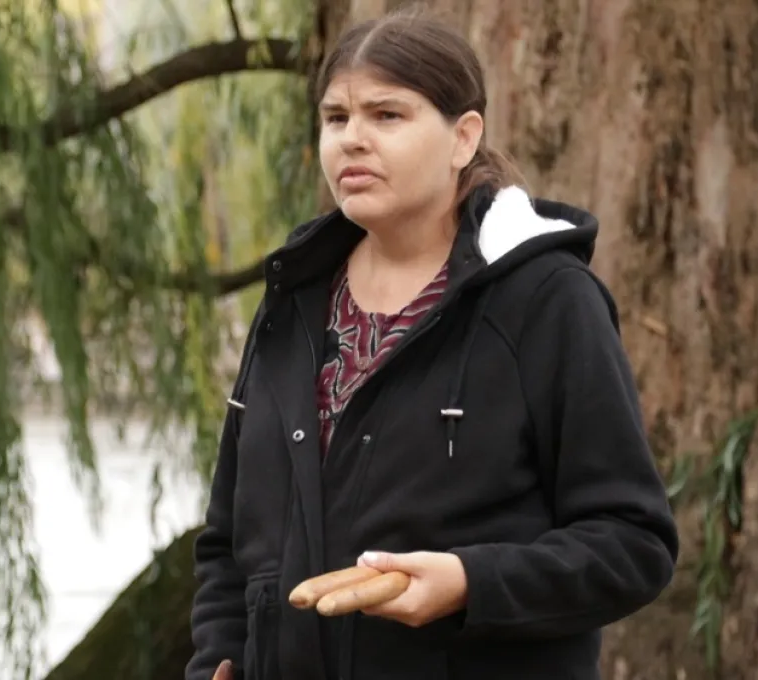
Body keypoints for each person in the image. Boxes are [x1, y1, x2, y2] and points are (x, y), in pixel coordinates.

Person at [185, 7, 678, 680]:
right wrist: (218, 660)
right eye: (336, 118)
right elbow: (228, 547)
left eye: (387, 116)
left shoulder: (546, 301)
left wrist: (470, 581)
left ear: (462, 137)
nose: (352, 139)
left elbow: (633, 543)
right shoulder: (291, 304)